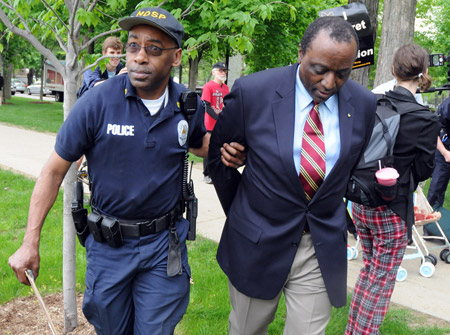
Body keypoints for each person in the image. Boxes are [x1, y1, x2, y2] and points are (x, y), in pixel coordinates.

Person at [9, 7, 211, 335]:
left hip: (164, 246)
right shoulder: (98, 102)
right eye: (133, 46)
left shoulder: (187, 105)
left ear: (176, 58)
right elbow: (52, 171)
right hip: (109, 247)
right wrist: (30, 242)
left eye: (154, 49)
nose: (139, 57)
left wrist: (240, 146)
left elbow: (202, 143)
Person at [208, 16, 377, 335]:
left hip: (319, 245)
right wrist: (243, 214)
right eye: (319, 69)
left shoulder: (364, 105)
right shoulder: (253, 92)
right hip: (257, 242)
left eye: (341, 73)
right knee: (246, 330)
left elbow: (350, 169)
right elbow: (219, 159)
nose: (329, 83)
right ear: (301, 53)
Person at [345, 44, 440, 335]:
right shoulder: (425, 118)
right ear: (424, 73)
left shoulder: (371, 103)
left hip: (361, 203)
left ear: (393, 70)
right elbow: (425, 169)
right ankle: (362, 332)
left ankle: (355, 327)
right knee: (382, 278)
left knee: (370, 270)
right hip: (393, 208)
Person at [201, 62, 230, 183]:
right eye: (220, 70)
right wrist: (218, 118)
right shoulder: (208, 86)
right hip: (210, 124)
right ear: (213, 72)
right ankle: (207, 174)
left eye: (224, 71)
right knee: (209, 148)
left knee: (220, 148)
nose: (223, 73)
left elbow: (228, 104)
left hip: (222, 124)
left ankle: (216, 173)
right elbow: (206, 106)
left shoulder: (226, 88)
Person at [426, 96, 450, 211]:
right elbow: (432, 131)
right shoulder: (447, 106)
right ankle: (430, 225)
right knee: (436, 189)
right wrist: (445, 153)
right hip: (444, 149)